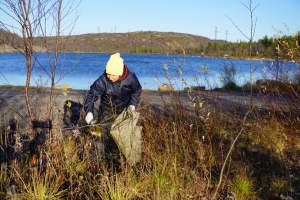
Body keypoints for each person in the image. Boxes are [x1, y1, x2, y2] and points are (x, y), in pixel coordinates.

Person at [83, 53, 142, 169]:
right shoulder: (103, 79)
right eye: (107, 73)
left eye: (112, 75)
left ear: (119, 73)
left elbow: (137, 91)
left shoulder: (131, 79)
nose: (109, 77)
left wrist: (132, 105)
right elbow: (91, 95)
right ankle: (95, 164)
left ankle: (117, 162)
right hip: (106, 109)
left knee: (120, 138)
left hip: (123, 112)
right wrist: (89, 112)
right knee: (98, 135)